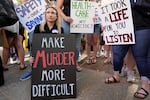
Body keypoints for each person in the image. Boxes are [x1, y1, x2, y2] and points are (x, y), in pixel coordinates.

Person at [105, 0, 150, 99]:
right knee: (117, 52)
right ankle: (116, 75)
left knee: (141, 57)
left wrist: (136, 3)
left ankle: (145, 86)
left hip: (141, 26)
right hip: (122, 28)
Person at [20, 5, 64, 81]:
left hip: (54, 57)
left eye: (53, 13)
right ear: (45, 15)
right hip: (41, 56)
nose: (50, 14)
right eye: (48, 12)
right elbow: (33, 44)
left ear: (56, 16)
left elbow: (63, 45)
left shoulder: (60, 29)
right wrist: (32, 56)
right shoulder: (38, 27)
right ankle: (33, 71)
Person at [57, 0, 82, 72]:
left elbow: (88, 7)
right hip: (66, 20)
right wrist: (65, 18)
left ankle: (75, 63)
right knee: (66, 43)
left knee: (77, 45)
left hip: (79, 21)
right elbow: (58, 8)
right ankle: (66, 64)